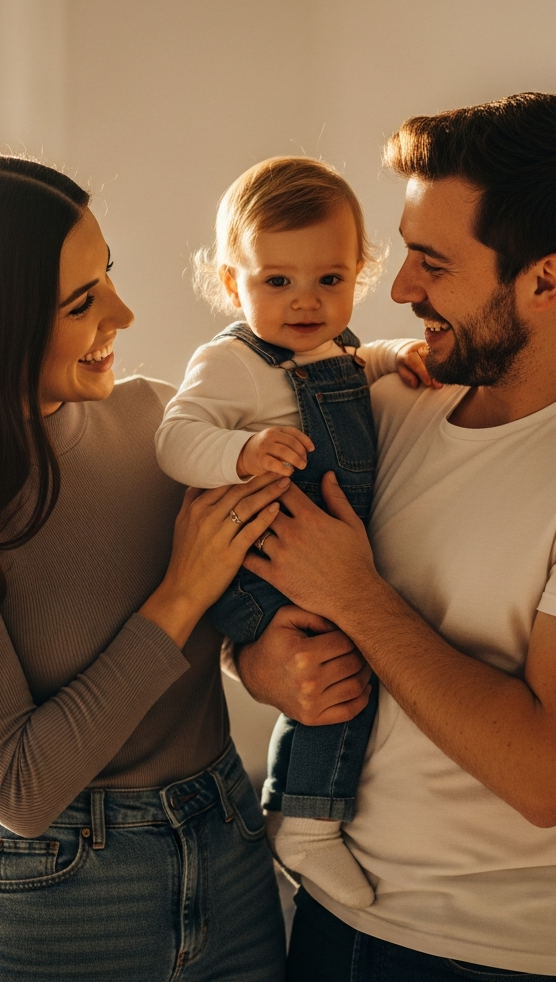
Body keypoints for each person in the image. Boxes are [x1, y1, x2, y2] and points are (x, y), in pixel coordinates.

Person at [0, 152, 330, 981]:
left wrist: (260, 661)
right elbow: (19, 786)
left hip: (228, 855)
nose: (123, 311)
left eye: (108, 275)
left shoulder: (167, 424)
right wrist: (180, 593)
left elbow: (217, 628)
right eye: (83, 301)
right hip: (59, 898)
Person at [234, 95, 556, 981]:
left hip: (495, 959)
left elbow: (547, 778)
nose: (398, 290)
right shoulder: (387, 402)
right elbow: (258, 568)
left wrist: (357, 597)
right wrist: (259, 663)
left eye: (432, 262)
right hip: (322, 915)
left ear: (545, 280)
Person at [156, 156, 430, 910]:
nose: (306, 302)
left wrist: (395, 357)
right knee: (334, 674)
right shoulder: (231, 363)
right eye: (277, 281)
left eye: (330, 281)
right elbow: (175, 438)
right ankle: (304, 821)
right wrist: (237, 454)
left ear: (358, 276)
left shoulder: (335, 349)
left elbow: (356, 361)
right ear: (229, 283)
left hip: (309, 562)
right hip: (260, 566)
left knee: (345, 674)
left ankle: (308, 813)